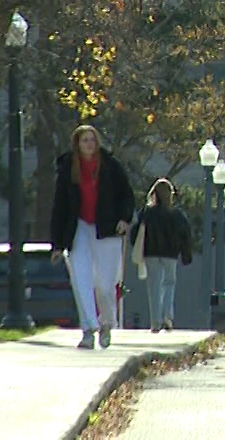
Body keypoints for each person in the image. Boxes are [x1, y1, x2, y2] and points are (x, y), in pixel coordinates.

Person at [49, 124, 135, 349]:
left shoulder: (111, 167)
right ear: (77, 144)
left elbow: (126, 195)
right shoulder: (68, 168)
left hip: (107, 229)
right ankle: (88, 328)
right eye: (85, 140)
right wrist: (57, 244)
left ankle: (106, 323)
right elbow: (59, 206)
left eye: (92, 140)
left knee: (105, 286)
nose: (89, 144)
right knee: (81, 280)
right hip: (79, 229)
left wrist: (125, 219)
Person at [130, 178, 193, 332]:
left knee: (154, 287)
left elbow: (135, 232)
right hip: (170, 255)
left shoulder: (147, 212)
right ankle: (168, 315)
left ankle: (155, 322)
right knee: (169, 283)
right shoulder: (176, 214)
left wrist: (137, 247)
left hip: (151, 254)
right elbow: (186, 235)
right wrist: (185, 254)